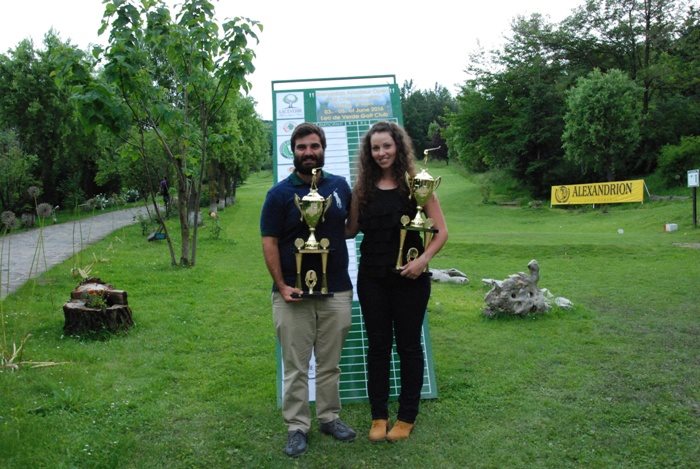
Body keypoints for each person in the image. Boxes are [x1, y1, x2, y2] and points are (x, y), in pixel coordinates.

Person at [346, 121, 448, 442]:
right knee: (378, 347)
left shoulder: (416, 185)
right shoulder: (361, 190)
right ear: (369, 152)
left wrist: (422, 261)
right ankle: (379, 416)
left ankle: (406, 417)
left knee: (408, 346)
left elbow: (441, 232)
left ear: (398, 147)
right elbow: (349, 229)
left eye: (386, 146)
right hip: (372, 280)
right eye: (375, 148)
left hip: (411, 281)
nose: (381, 153)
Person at [260, 123, 356, 457]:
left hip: (337, 291)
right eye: (301, 147)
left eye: (314, 146)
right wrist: (281, 285)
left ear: (323, 149)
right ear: (294, 151)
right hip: (293, 295)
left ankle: (329, 418)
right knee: (296, 367)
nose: (308, 152)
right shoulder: (279, 194)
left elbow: (349, 228)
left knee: (330, 363)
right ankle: (297, 427)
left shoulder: (339, 186)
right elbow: (269, 242)